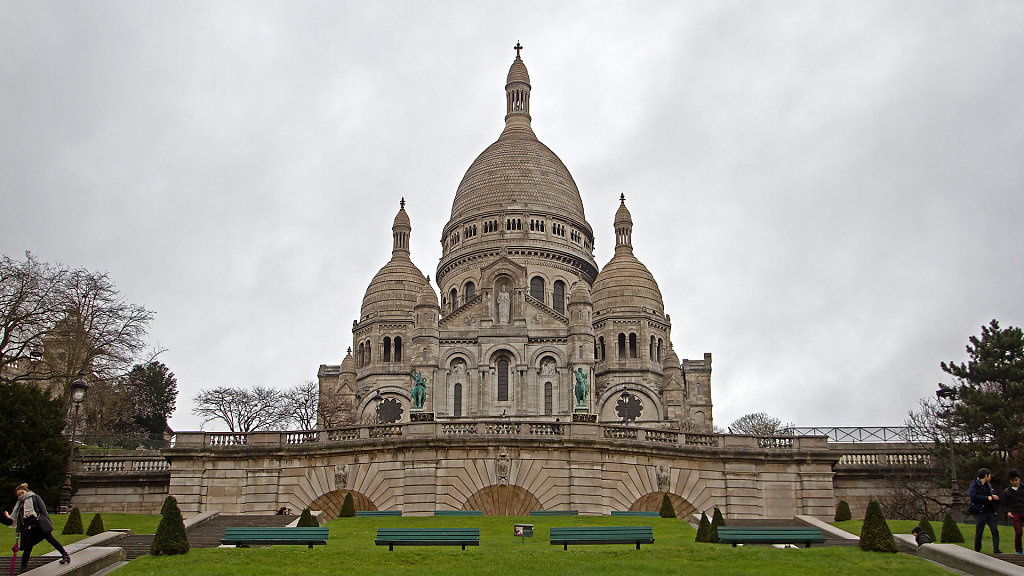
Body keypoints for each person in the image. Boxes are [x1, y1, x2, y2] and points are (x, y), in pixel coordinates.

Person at [1, 483, 71, 570]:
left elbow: (43, 511)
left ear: (26, 491)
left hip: (39, 525)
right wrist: (11, 521)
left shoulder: (35, 497)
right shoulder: (19, 504)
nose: (21, 496)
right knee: (27, 547)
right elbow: (18, 518)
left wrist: (48, 524)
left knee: (51, 539)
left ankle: (65, 555)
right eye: (19, 495)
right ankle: (23, 567)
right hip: (28, 529)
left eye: (22, 493)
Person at [968, 467, 1002, 554]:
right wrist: (986, 498)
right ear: (986, 476)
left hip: (989, 511)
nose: (990, 477)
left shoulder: (988, 486)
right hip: (980, 511)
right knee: (979, 531)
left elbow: (992, 494)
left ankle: (996, 549)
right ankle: (977, 549)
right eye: (989, 475)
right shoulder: (974, 485)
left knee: (995, 530)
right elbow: (973, 496)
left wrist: (994, 498)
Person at [1004, 470, 1024, 555]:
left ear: (1019, 479)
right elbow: (1004, 503)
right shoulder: (1007, 492)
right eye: (1013, 481)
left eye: (1016, 480)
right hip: (1015, 513)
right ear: (1010, 481)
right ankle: (1018, 550)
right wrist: (1007, 512)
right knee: (1018, 532)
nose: (1015, 482)